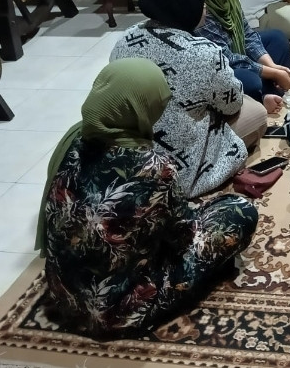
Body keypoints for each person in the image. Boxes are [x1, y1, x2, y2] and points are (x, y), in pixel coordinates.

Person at [38, 59, 258, 336]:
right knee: (238, 211)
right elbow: (184, 237)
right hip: (117, 313)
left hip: (65, 298)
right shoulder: (154, 167)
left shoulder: (73, 141)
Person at [111, 0, 267, 197]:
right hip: (177, 164)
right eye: (199, 3)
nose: (204, 7)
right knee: (257, 113)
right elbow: (231, 105)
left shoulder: (126, 38)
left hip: (132, 149)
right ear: (182, 10)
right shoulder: (202, 52)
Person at [179, 0, 290, 115]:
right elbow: (226, 59)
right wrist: (272, 73)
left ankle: (269, 94)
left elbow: (247, 33)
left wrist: (273, 67)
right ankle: (259, 101)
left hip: (234, 51)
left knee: (277, 38)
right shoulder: (201, 7)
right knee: (249, 81)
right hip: (217, 66)